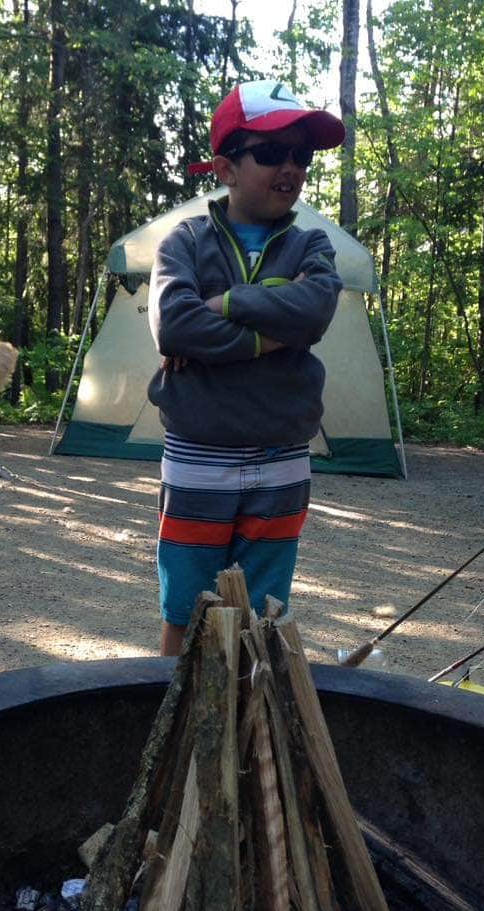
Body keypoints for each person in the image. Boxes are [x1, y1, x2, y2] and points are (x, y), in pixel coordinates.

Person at [147, 79, 346, 655]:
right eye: (271, 152)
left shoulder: (312, 246)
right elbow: (175, 325)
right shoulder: (183, 241)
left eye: (301, 155)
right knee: (185, 609)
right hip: (198, 456)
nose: (291, 167)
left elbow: (315, 312)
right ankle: (171, 729)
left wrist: (226, 304)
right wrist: (275, 332)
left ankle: (246, 727)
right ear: (225, 167)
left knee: (262, 614)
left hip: (283, 458)